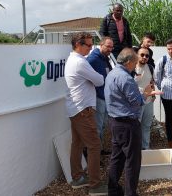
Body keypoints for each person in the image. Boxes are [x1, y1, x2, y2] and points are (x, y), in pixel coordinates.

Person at [105, 48, 159, 196]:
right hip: (128, 124)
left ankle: (113, 189)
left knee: (117, 157)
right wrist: (147, 93)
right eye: (135, 62)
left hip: (115, 122)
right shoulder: (126, 77)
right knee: (132, 161)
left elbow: (122, 97)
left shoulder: (112, 74)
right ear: (128, 62)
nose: (136, 65)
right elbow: (136, 102)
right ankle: (130, 193)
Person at [64, 32, 107, 195]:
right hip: (83, 110)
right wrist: (97, 76)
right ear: (78, 45)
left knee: (77, 143)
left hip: (76, 109)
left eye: (91, 45)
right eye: (88, 45)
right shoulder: (80, 62)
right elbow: (100, 80)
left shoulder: (73, 60)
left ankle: (78, 178)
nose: (91, 48)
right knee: (94, 145)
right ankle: (95, 185)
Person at [87, 36, 114, 155]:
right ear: (101, 45)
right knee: (97, 127)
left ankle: (100, 149)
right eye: (108, 46)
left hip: (106, 97)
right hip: (98, 97)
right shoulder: (93, 59)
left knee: (103, 125)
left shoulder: (105, 58)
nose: (110, 49)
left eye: (111, 47)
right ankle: (93, 154)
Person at [133, 47, 155, 150]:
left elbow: (151, 82)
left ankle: (145, 148)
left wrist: (153, 93)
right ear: (137, 55)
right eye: (142, 55)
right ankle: (135, 148)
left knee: (146, 126)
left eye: (147, 55)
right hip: (137, 102)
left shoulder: (150, 67)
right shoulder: (132, 68)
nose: (144, 57)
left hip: (149, 101)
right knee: (136, 126)